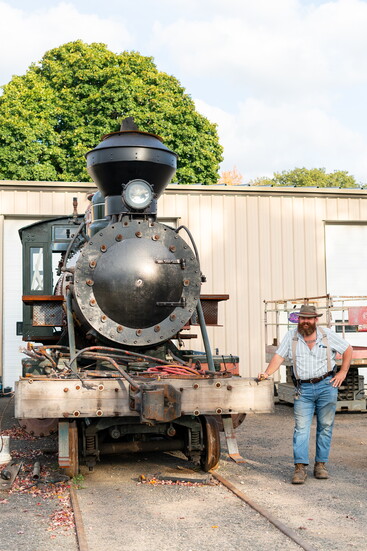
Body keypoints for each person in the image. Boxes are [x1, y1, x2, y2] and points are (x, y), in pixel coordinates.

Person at [258, 304, 353, 484]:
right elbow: (278, 357)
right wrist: (267, 373)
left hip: (327, 385)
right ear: (299, 319)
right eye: (302, 318)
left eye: (309, 318)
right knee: (301, 428)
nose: (305, 322)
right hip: (303, 389)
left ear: (315, 320)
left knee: (325, 426)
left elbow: (348, 349)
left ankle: (320, 465)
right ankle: (300, 468)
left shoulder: (326, 335)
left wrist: (343, 372)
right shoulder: (291, 336)